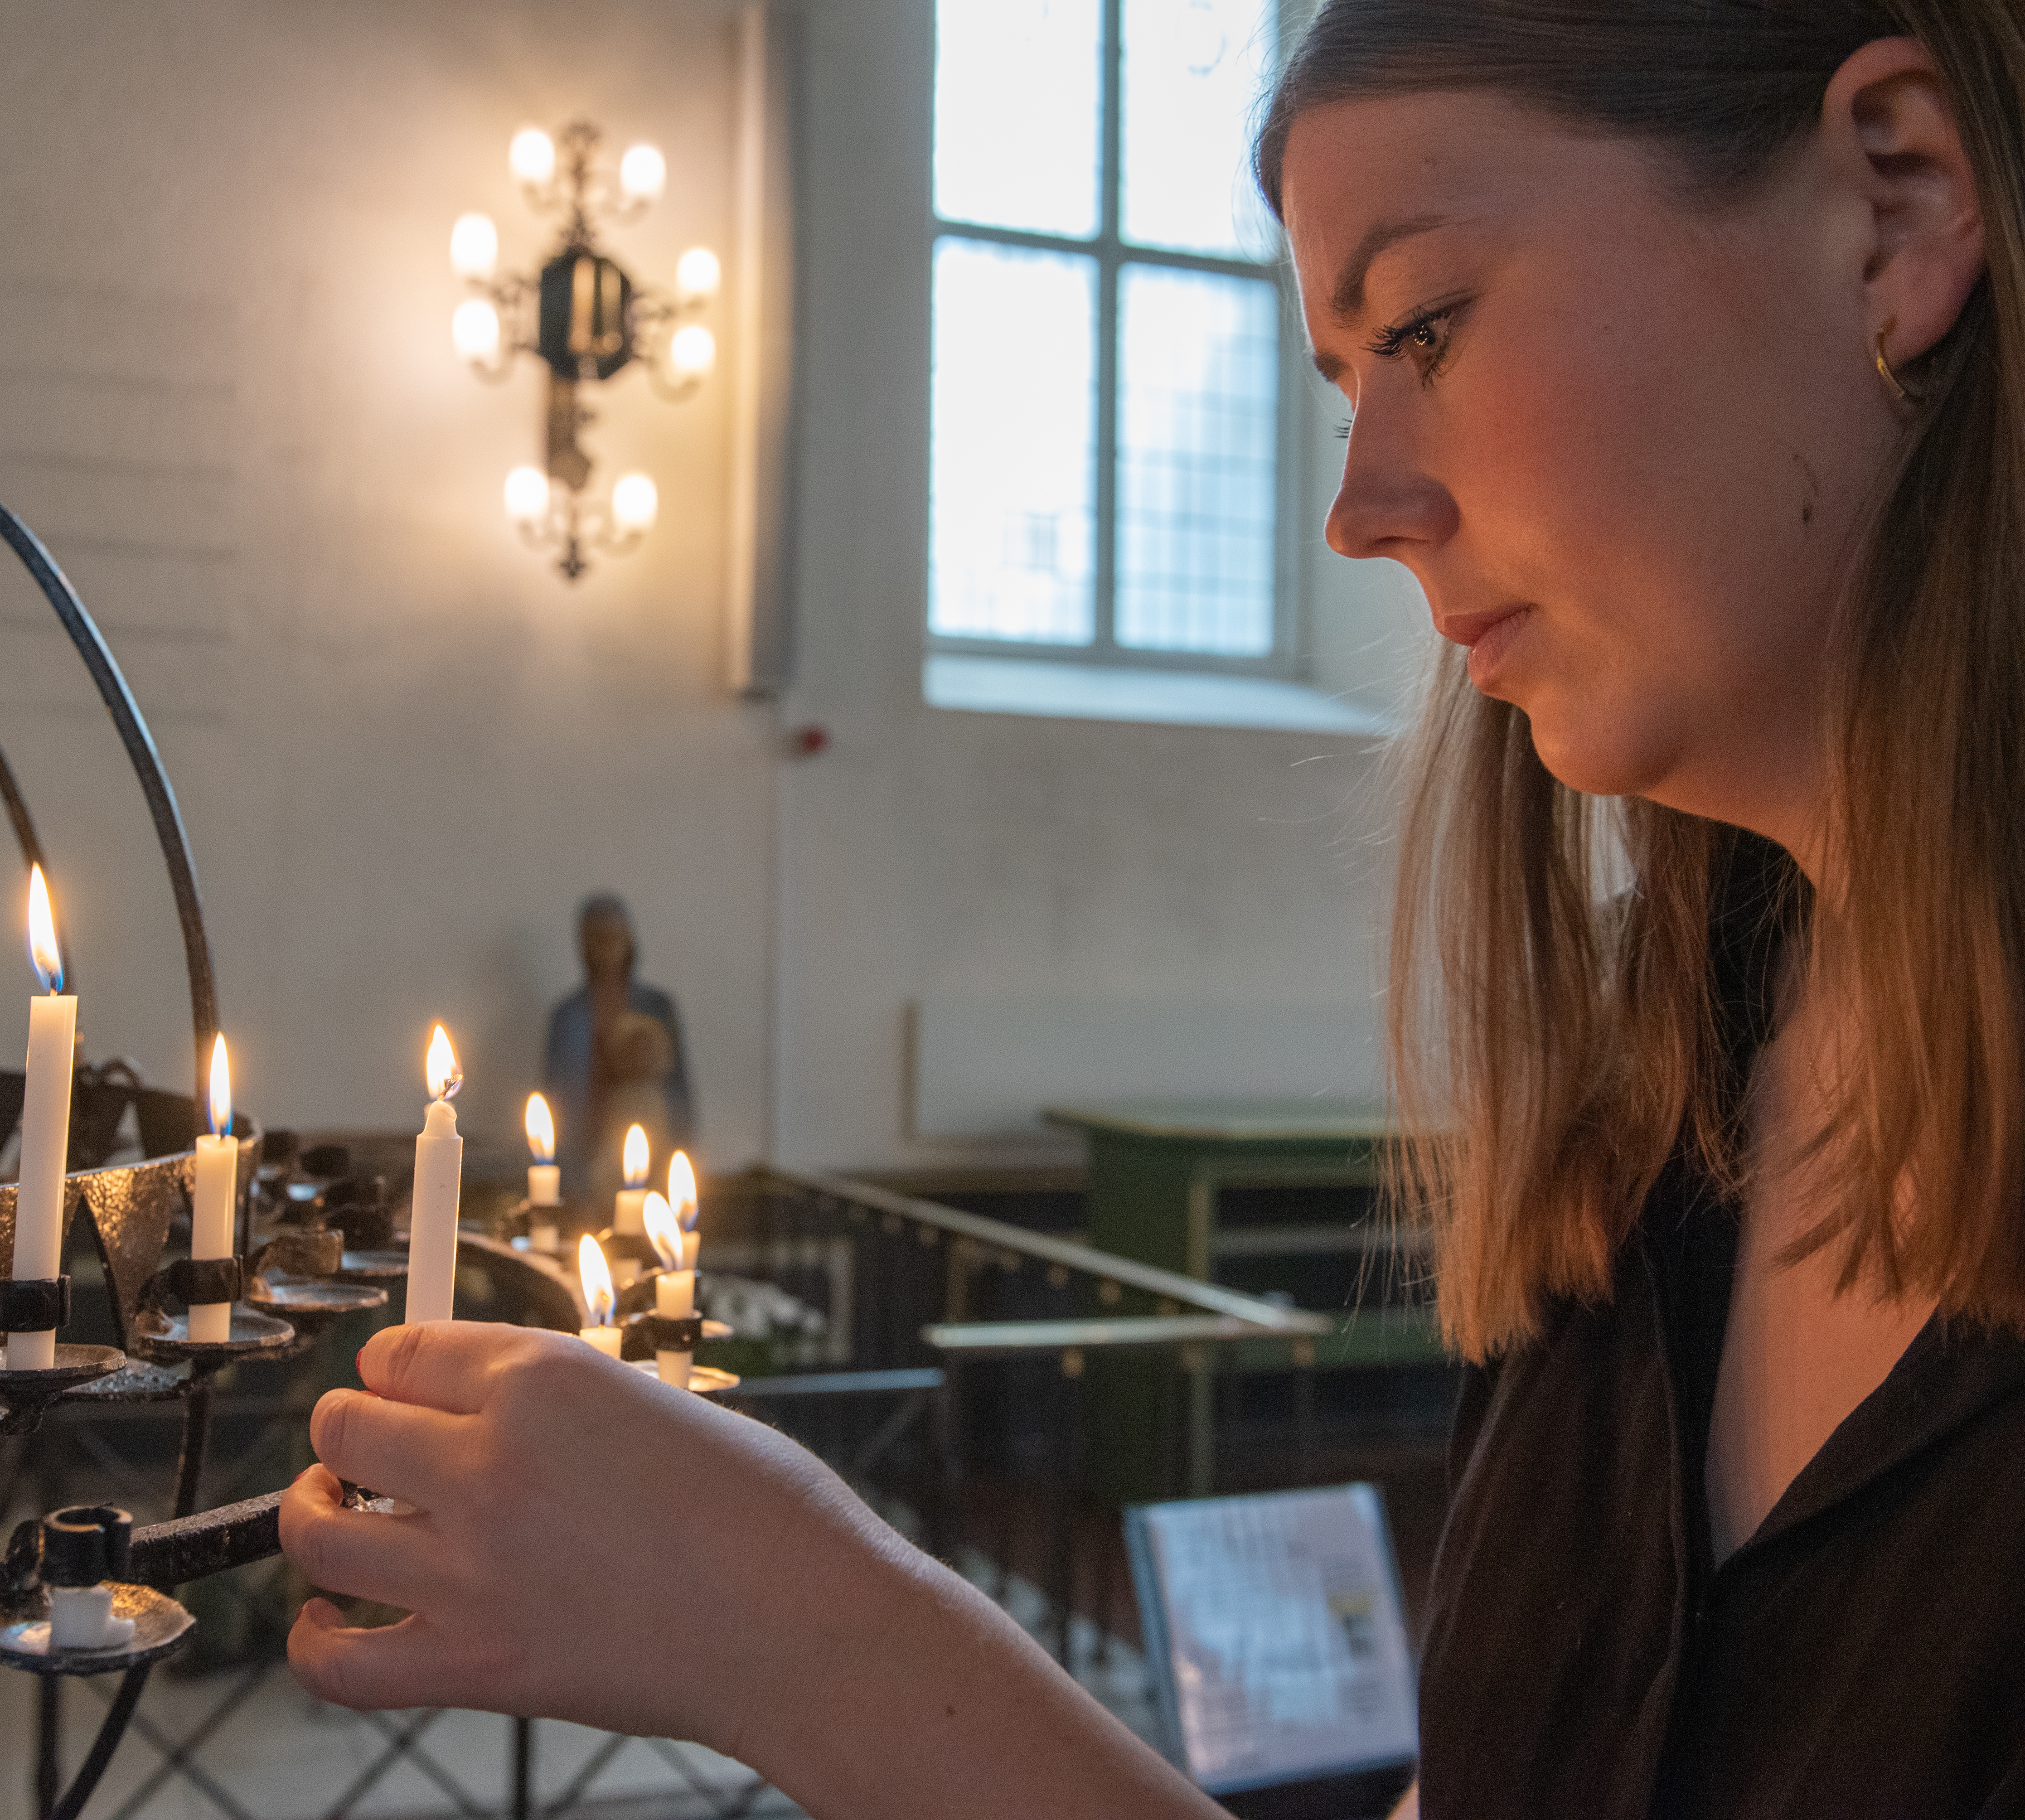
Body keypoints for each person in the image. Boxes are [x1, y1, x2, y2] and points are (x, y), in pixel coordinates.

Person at [280, 4, 2025, 1812]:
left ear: (1892, 207)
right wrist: (789, 1619)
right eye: (1345, 386)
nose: (1359, 508)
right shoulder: (1654, 1110)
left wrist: (810, 1625)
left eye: (1423, 322)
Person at [540, 893, 696, 1194]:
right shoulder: (567, 1016)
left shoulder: (658, 1008)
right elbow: (556, 1095)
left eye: (616, 937)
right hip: (586, 1155)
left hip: (651, 1142)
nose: (608, 948)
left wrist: (681, 1157)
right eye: (598, 939)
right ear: (585, 945)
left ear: (630, 940)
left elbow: (679, 1094)